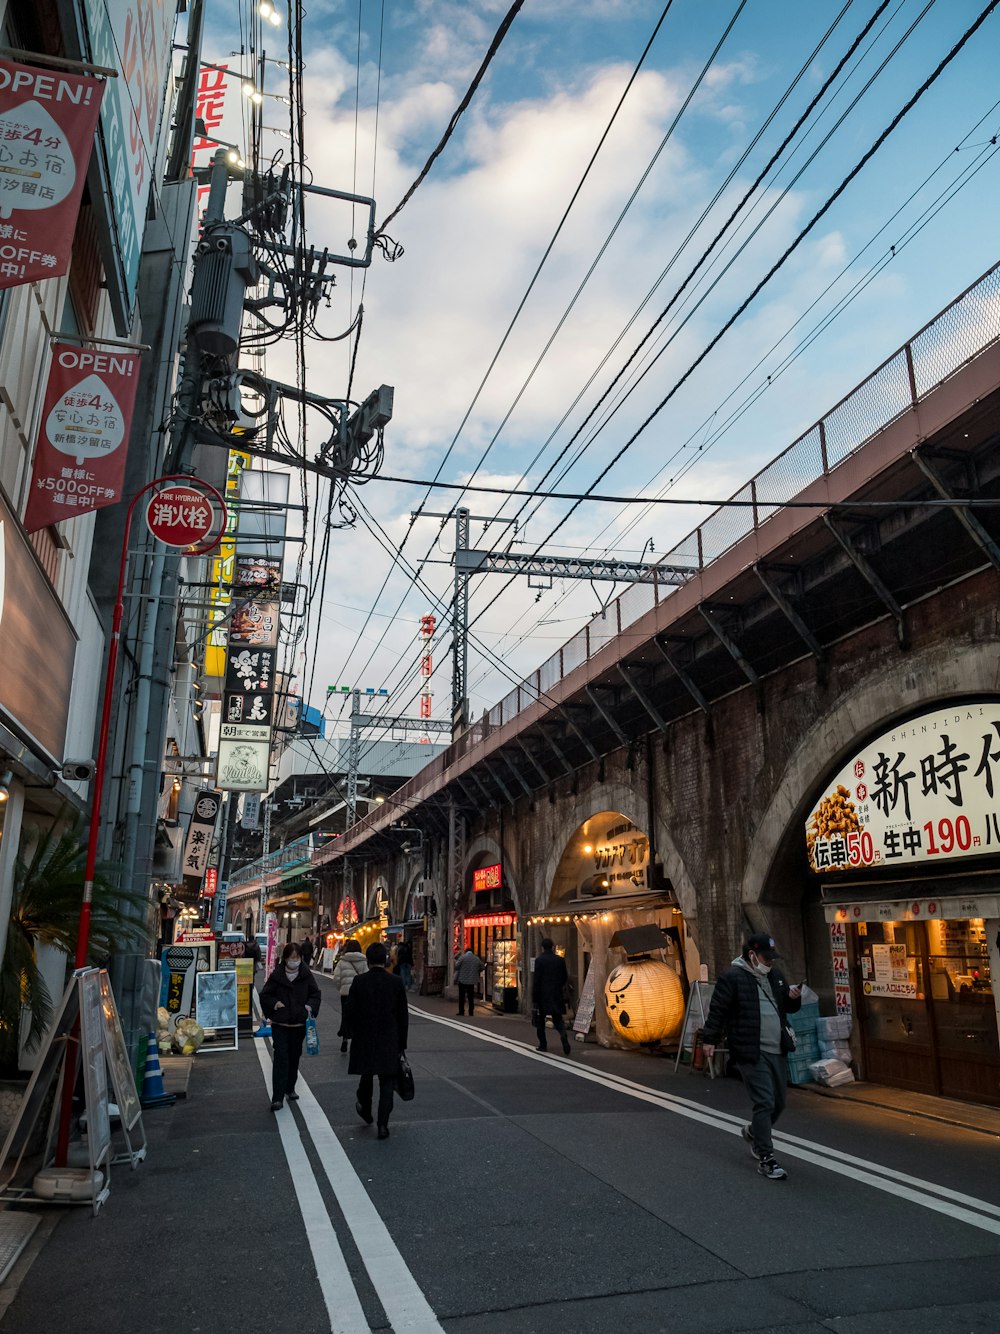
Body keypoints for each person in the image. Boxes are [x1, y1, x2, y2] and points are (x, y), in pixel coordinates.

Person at [701, 932, 802, 1181]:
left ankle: (755, 1132)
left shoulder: (775, 976)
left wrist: (793, 999)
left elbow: (785, 1007)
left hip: (777, 1048)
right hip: (750, 1050)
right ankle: (766, 1157)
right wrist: (709, 1039)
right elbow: (718, 1010)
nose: (770, 962)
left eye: (772, 958)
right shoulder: (732, 977)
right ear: (752, 955)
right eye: (766, 958)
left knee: (779, 1103)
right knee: (765, 1101)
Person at [348, 942, 409, 1139]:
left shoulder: (359, 981)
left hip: (365, 1036)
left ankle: (365, 1109)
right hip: (389, 1037)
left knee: (366, 1076)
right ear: (385, 960)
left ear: (367, 960)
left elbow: (350, 1009)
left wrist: (349, 1032)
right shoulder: (396, 982)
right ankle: (383, 1125)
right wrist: (402, 1043)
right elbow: (403, 1016)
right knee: (387, 1082)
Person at [260, 942, 321, 1111]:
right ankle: (277, 1097)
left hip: (299, 1023)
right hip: (280, 1023)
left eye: (297, 958)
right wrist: (275, 1004)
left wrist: (309, 1007)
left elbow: (315, 994)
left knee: (294, 1057)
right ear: (285, 958)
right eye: (291, 958)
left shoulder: (306, 974)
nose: (294, 961)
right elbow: (265, 995)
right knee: (281, 1058)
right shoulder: (277, 975)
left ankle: (290, 1088)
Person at [532, 938, 572, 1055]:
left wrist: (535, 998)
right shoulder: (560, 960)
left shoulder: (539, 961)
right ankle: (563, 1034)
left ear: (542, 947)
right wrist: (558, 986)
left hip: (542, 995)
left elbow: (537, 981)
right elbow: (565, 977)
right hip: (556, 994)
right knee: (557, 1019)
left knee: (540, 1021)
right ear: (553, 947)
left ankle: (543, 1044)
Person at [332, 938, 368, 1052]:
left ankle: (345, 1038)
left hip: (346, 994)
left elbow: (336, 978)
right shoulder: (363, 961)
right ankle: (358, 1040)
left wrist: (341, 988)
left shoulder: (342, 961)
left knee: (346, 1016)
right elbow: (367, 977)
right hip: (360, 994)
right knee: (359, 1016)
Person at [453, 946, 485, 1016]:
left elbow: (457, 967)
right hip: (471, 980)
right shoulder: (476, 959)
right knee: (471, 996)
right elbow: (482, 966)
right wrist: (477, 971)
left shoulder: (462, 957)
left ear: (466, 952)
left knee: (462, 996)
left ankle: (461, 1011)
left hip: (462, 980)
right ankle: (471, 1012)